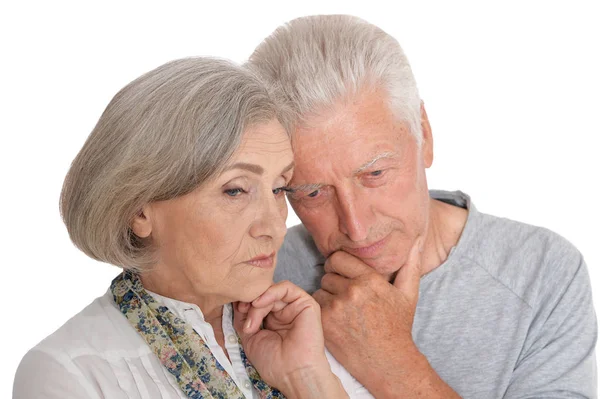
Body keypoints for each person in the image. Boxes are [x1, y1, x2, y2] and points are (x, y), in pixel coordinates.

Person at [248, 14, 598, 398]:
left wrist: (394, 363)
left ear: (424, 136)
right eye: (313, 193)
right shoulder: (257, 275)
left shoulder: (542, 273)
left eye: (375, 173)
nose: (356, 226)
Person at [13, 57, 349, 398]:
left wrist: (307, 378)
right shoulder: (71, 373)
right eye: (235, 190)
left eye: (278, 188)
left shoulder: (305, 334)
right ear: (139, 211)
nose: (275, 227)